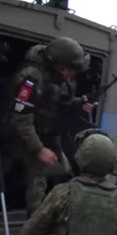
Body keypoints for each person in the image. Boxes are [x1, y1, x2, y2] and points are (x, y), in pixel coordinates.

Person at [7, 36, 97, 216]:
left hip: (44, 134)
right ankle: (35, 223)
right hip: (22, 136)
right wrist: (39, 150)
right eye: (71, 69)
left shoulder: (53, 77)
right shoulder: (31, 77)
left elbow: (56, 100)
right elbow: (20, 120)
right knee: (38, 176)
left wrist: (79, 103)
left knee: (64, 171)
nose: (73, 75)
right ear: (60, 64)